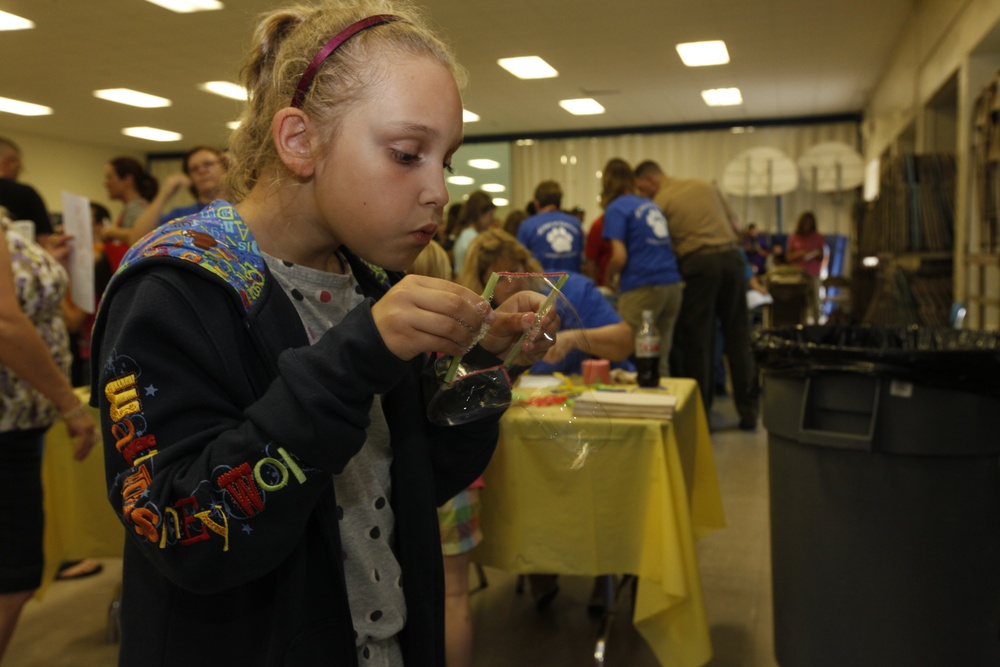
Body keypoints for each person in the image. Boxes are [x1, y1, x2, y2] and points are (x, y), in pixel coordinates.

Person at [89, 3, 557, 665]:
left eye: (445, 161)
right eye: (406, 154)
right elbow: (182, 530)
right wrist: (355, 358)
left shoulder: (369, 284)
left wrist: (484, 360)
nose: (438, 192)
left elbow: (419, 478)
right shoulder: (173, 291)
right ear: (299, 141)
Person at [0, 219, 97, 662]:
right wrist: (69, 403)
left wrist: (49, 264)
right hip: (7, 424)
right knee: (13, 574)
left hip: (19, 422)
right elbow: (5, 322)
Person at [635, 159, 759, 429]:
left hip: (699, 264)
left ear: (650, 181)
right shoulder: (706, 185)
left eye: (642, 189)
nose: (643, 195)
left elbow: (660, 244)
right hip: (732, 260)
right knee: (738, 336)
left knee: (698, 341)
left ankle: (702, 415)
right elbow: (737, 225)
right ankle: (749, 413)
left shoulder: (661, 201)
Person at [601, 158, 684, 378]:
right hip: (672, 285)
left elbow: (619, 256)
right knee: (660, 358)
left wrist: (609, 276)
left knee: (626, 350)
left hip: (643, 286)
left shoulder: (616, 208)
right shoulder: (650, 204)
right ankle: (664, 407)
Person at [120, 146, 228, 247]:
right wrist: (164, 194)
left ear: (224, 167)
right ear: (189, 177)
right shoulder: (181, 215)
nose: (202, 171)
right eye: (194, 169)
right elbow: (136, 240)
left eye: (208, 164)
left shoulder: (240, 208)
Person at [101, 157, 158, 271]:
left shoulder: (137, 208)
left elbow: (140, 240)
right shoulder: (130, 208)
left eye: (109, 177)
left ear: (128, 180)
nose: (105, 183)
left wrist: (111, 232)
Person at [516, 180, 584, 273]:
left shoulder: (527, 226)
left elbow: (520, 262)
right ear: (559, 202)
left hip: (541, 284)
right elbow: (583, 259)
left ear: (536, 203)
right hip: (573, 282)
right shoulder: (576, 224)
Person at [0, 137, 53, 240]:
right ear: (9, 162)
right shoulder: (26, 194)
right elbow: (44, 241)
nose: (19, 174)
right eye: (19, 168)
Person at [786, 210, 826, 322]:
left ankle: (817, 325)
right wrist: (798, 254)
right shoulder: (794, 237)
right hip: (799, 275)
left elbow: (822, 256)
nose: (807, 226)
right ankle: (801, 324)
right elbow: (788, 257)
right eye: (805, 223)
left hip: (814, 273)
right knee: (800, 302)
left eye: (809, 223)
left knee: (816, 301)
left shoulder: (818, 237)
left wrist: (816, 253)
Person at [451, 189, 496, 275]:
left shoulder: (465, 235)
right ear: (479, 214)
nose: (492, 220)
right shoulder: (472, 238)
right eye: (490, 215)